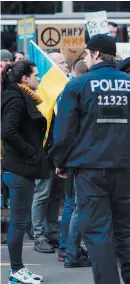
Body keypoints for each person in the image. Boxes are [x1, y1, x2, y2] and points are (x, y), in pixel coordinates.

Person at [50, 34, 130, 284]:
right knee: (129, 231)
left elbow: (65, 132)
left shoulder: (77, 85)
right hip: (126, 169)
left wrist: (60, 161)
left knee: (98, 235)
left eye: (87, 53)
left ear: (96, 54)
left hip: (90, 171)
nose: (85, 58)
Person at [2, 60, 49, 284]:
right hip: (19, 169)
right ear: (24, 79)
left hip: (19, 168)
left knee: (19, 222)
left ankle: (17, 270)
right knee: (19, 223)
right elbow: (8, 131)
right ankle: (16, 271)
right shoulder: (17, 99)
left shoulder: (19, 97)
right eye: (36, 75)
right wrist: (30, 153)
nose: (38, 78)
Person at [31, 52, 69, 254]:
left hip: (60, 154)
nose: (66, 66)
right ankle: (39, 235)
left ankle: (52, 232)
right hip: (46, 153)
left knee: (56, 195)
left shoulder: (66, 89)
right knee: (42, 194)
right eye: (62, 63)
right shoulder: (45, 92)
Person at [57, 58, 89, 266]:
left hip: (74, 156)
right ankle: (70, 252)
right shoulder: (78, 91)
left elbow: (65, 129)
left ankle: (69, 250)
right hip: (81, 157)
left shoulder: (70, 91)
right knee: (75, 205)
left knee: (73, 204)